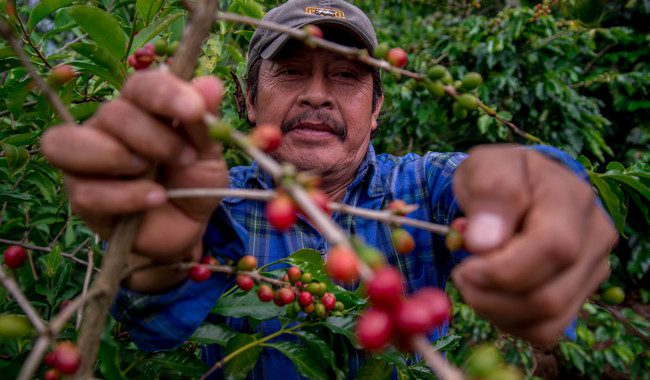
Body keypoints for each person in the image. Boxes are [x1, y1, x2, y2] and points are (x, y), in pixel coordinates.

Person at [41, 0, 617, 377]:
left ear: (377, 110)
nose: (318, 94)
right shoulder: (211, 204)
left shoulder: (417, 188)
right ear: (246, 99)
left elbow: (489, 181)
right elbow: (151, 328)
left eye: (345, 77)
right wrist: (158, 257)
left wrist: (540, 190)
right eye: (290, 73)